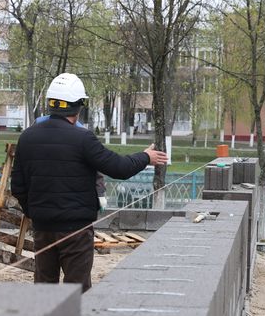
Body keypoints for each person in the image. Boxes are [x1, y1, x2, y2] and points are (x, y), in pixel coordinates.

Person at [11, 73, 168, 293]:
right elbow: (119, 168)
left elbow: (17, 186)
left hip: (43, 228)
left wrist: (36, 212)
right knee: (78, 290)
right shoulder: (82, 138)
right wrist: (146, 157)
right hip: (76, 230)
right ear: (78, 107)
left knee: (44, 289)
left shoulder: (27, 137)